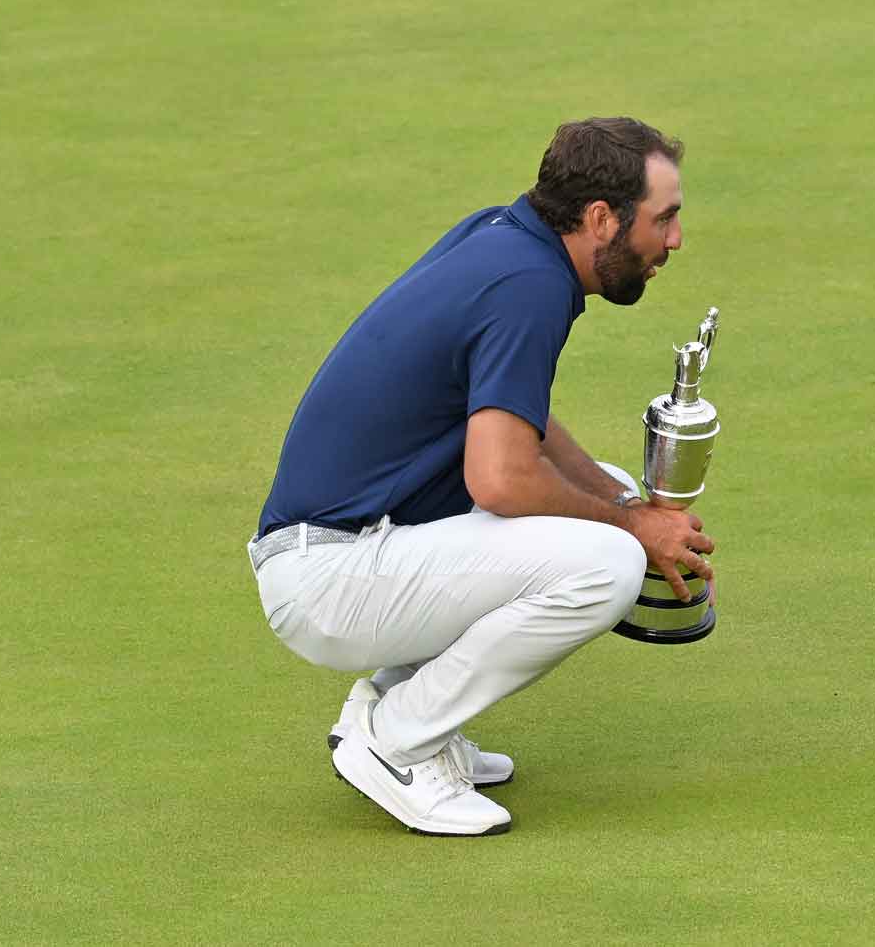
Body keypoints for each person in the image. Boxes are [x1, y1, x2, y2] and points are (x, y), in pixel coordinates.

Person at [246, 117, 717, 835]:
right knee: (608, 562)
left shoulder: (506, 240)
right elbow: (499, 478)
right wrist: (633, 525)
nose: (674, 240)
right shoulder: (529, 286)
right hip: (328, 580)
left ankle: (388, 705)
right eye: (664, 218)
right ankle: (400, 740)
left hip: (343, 551)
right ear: (600, 219)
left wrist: (625, 498)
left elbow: (516, 418)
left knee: (603, 492)